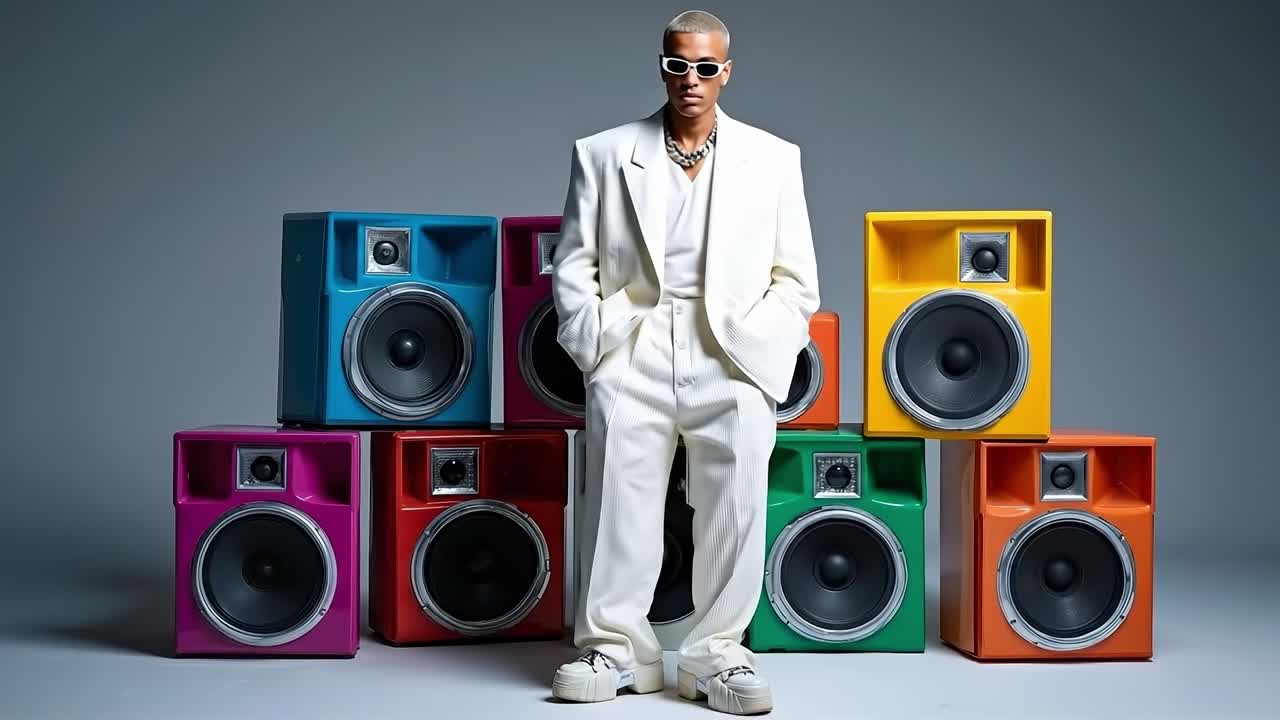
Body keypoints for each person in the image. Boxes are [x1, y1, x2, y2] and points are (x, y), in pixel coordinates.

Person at [549, 10, 820, 715]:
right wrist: (596, 347)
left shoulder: (775, 157)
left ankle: (716, 654)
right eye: (678, 65)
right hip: (633, 345)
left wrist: (763, 354)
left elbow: (797, 280)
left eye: (706, 68)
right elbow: (572, 264)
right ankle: (616, 649)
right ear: (661, 66)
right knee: (618, 498)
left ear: (726, 72)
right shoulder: (602, 154)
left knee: (735, 506)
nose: (691, 80)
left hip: (730, 353)